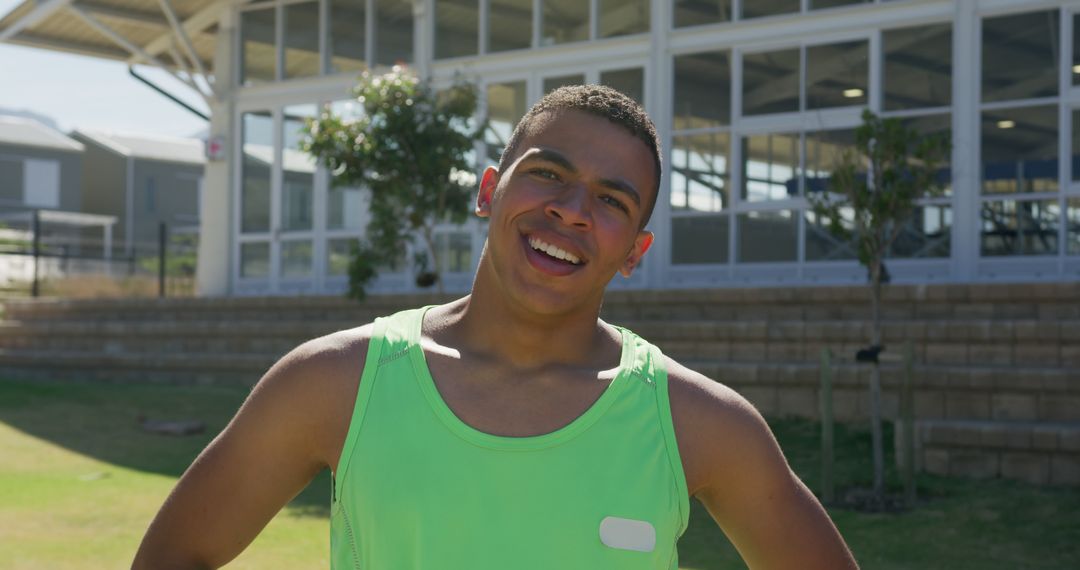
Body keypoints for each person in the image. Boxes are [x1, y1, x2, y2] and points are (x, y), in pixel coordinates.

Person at [133, 85, 858, 570]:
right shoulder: (336, 383)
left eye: (611, 200)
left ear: (635, 252)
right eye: (548, 173)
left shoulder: (698, 422)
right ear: (490, 191)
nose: (573, 210)